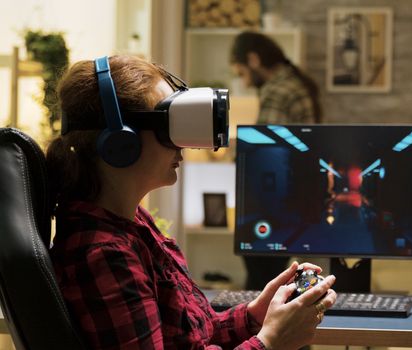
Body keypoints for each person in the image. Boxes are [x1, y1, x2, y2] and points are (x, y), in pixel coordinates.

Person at [46, 54, 336, 349]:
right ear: (122, 143)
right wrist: (271, 341)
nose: (181, 143)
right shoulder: (104, 255)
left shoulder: (133, 223)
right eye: (168, 126)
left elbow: (191, 339)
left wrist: (254, 316)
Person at [230, 31, 323, 291]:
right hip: (297, 195)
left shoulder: (278, 91)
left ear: (253, 59)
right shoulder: (294, 83)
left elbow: (262, 150)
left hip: (277, 198)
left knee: (261, 279)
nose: (245, 83)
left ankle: (258, 327)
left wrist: (235, 150)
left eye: (242, 73)